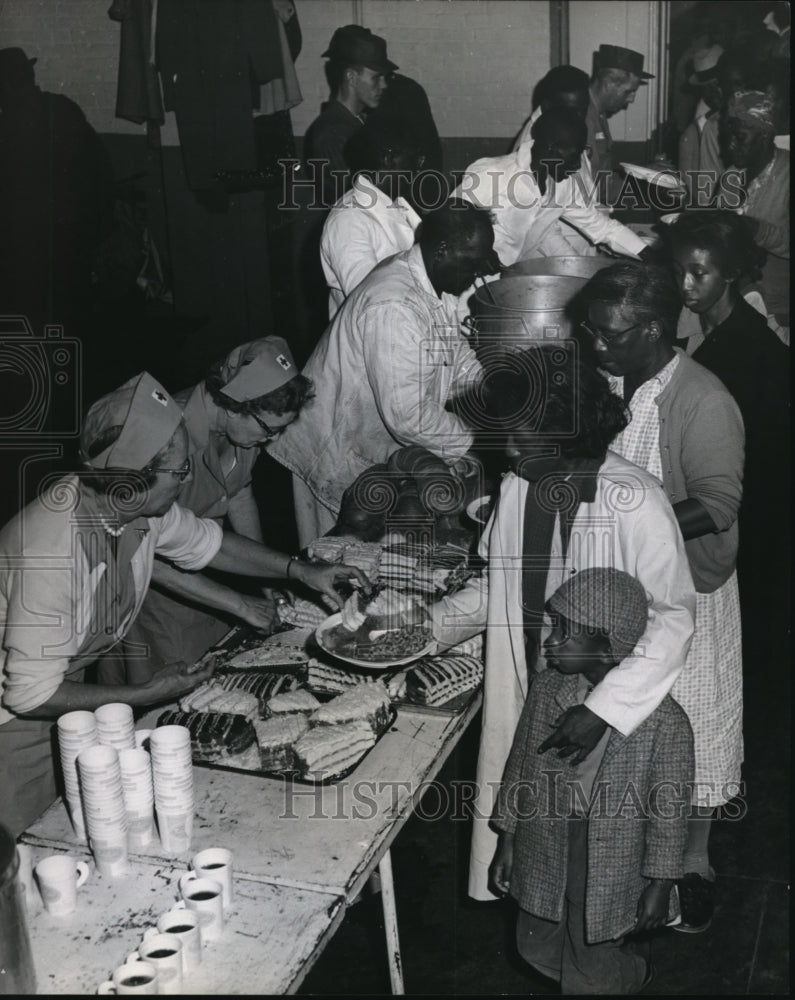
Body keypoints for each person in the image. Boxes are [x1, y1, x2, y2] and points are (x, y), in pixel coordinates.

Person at [0, 372, 368, 836]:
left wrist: (302, 570)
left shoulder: (129, 509)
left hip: (63, 693)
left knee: (90, 826)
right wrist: (144, 694)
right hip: (13, 722)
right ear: (134, 479)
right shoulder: (51, 550)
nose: (187, 477)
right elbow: (28, 693)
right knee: (30, 845)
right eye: (177, 471)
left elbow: (213, 544)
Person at [429, 350, 696, 902]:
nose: (507, 451)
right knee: (533, 843)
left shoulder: (636, 502)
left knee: (603, 855)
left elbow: (672, 618)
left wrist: (602, 710)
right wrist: (424, 626)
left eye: (520, 440)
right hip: (532, 690)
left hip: (611, 715)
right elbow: (495, 587)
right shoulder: (518, 487)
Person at [580, 261, 745, 933]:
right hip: (623, 588)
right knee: (638, 723)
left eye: (608, 335)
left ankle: (692, 864)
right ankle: (635, 859)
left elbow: (717, 503)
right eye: (589, 332)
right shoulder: (611, 380)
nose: (594, 345)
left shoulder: (701, 400)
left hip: (691, 590)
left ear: (652, 330)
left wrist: (631, 530)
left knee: (696, 729)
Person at [490, 568, 694, 995]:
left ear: (606, 646)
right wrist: (507, 839)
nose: (549, 642)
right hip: (545, 837)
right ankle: (619, 976)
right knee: (534, 946)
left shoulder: (666, 722)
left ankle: (613, 980)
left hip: (612, 857)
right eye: (554, 628)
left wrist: (661, 883)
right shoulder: (550, 689)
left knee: (590, 967)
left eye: (566, 633)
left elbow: (668, 816)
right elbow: (522, 765)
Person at [268, 199, 499, 547]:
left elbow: (454, 355)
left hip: (367, 444)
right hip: (334, 449)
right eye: (473, 262)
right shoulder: (395, 305)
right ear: (442, 250)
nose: (479, 272)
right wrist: (475, 444)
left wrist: (494, 391)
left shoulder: (435, 283)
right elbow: (407, 415)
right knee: (337, 561)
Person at [102, 337, 316, 684]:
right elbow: (140, 551)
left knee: (221, 671)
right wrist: (235, 601)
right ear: (233, 406)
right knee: (171, 692)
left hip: (210, 566)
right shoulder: (168, 438)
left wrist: (261, 578)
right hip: (154, 590)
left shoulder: (244, 430)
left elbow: (239, 494)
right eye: (269, 430)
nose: (272, 440)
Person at [667, 212, 789, 661]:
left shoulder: (748, 352)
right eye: (678, 270)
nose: (684, 285)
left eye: (699, 274)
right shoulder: (711, 326)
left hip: (755, 509)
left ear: (732, 272)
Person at [455, 109, 649, 265]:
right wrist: (480, 255)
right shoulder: (492, 173)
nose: (577, 166)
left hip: (503, 279)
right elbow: (447, 222)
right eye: (573, 156)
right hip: (461, 283)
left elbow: (601, 227)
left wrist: (648, 254)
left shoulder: (565, 185)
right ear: (550, 148)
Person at [320, 113, 423, 317]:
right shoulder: (348, 220)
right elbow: (372, 301)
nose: (420, 168)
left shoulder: (398, 204)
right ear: (389, 159)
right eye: (416, 158)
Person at [303, 25, 396, 206]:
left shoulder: (357, 122)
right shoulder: (332, 133)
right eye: (376, 77)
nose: (384, 85)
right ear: (351, 77)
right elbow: (353, 200)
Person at [717, 90, 789, 322]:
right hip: (736, 298)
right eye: (727, 136)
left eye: (740, 137)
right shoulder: (732, 176)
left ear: (765, 136)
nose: (729, 146)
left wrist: (758, 231)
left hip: (779, 307)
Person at [586, 44, 654, 204]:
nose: (632, 99)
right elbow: (590, 186)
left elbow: (602, 176)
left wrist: (645, 174)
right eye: (629, 91)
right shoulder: (584, 118)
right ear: (608, 83)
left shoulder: (599, 113)